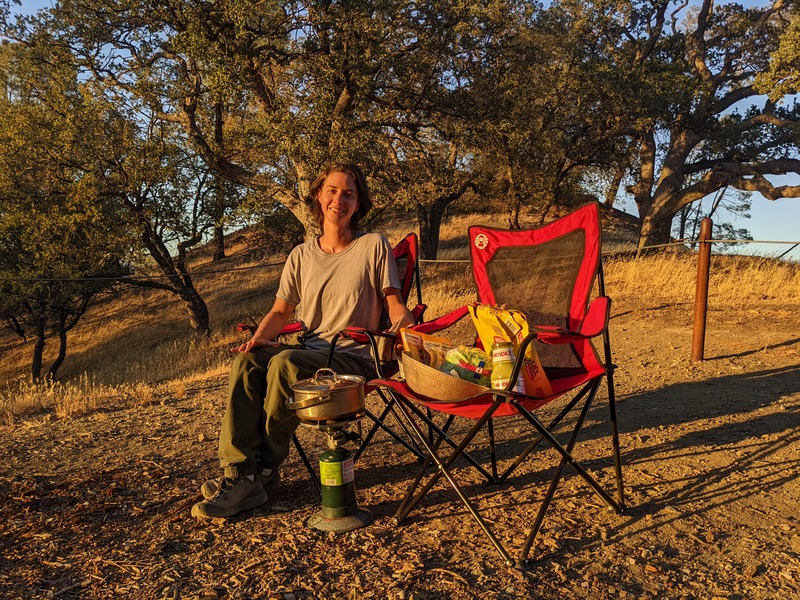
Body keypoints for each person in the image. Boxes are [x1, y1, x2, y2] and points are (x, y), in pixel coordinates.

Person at [192, 162, 414, 519]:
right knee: (249, 362)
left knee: (285, 363)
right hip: (310, 352)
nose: (338, 199)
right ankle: (241, 472)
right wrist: (259, 340)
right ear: (317, 195)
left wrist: (407, 328)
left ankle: (260, 472)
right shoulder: (301, 254)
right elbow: (281, 312)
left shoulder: (373, 245)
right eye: (332, 190)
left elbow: (393, 302)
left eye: (348, 193)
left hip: (352, 357)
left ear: (359, 204)